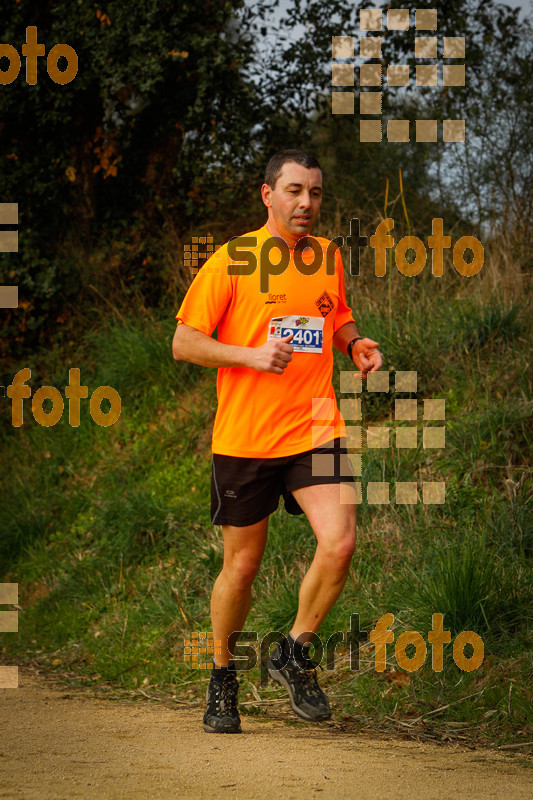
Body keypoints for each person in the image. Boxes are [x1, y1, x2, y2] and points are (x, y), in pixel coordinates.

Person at [172, 149, 382, 733]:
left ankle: (293, 651)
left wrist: (354, 343)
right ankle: (222, 679)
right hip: (246, 436)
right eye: (294, 191)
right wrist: (249, 355)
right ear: (268, 195)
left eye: (315, 193)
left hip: (315, 423)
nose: (306, 204)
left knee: (339, 544)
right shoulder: (232, 260)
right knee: (242, 567)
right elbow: (184, 342)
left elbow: (333, 314)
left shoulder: (328, 257)